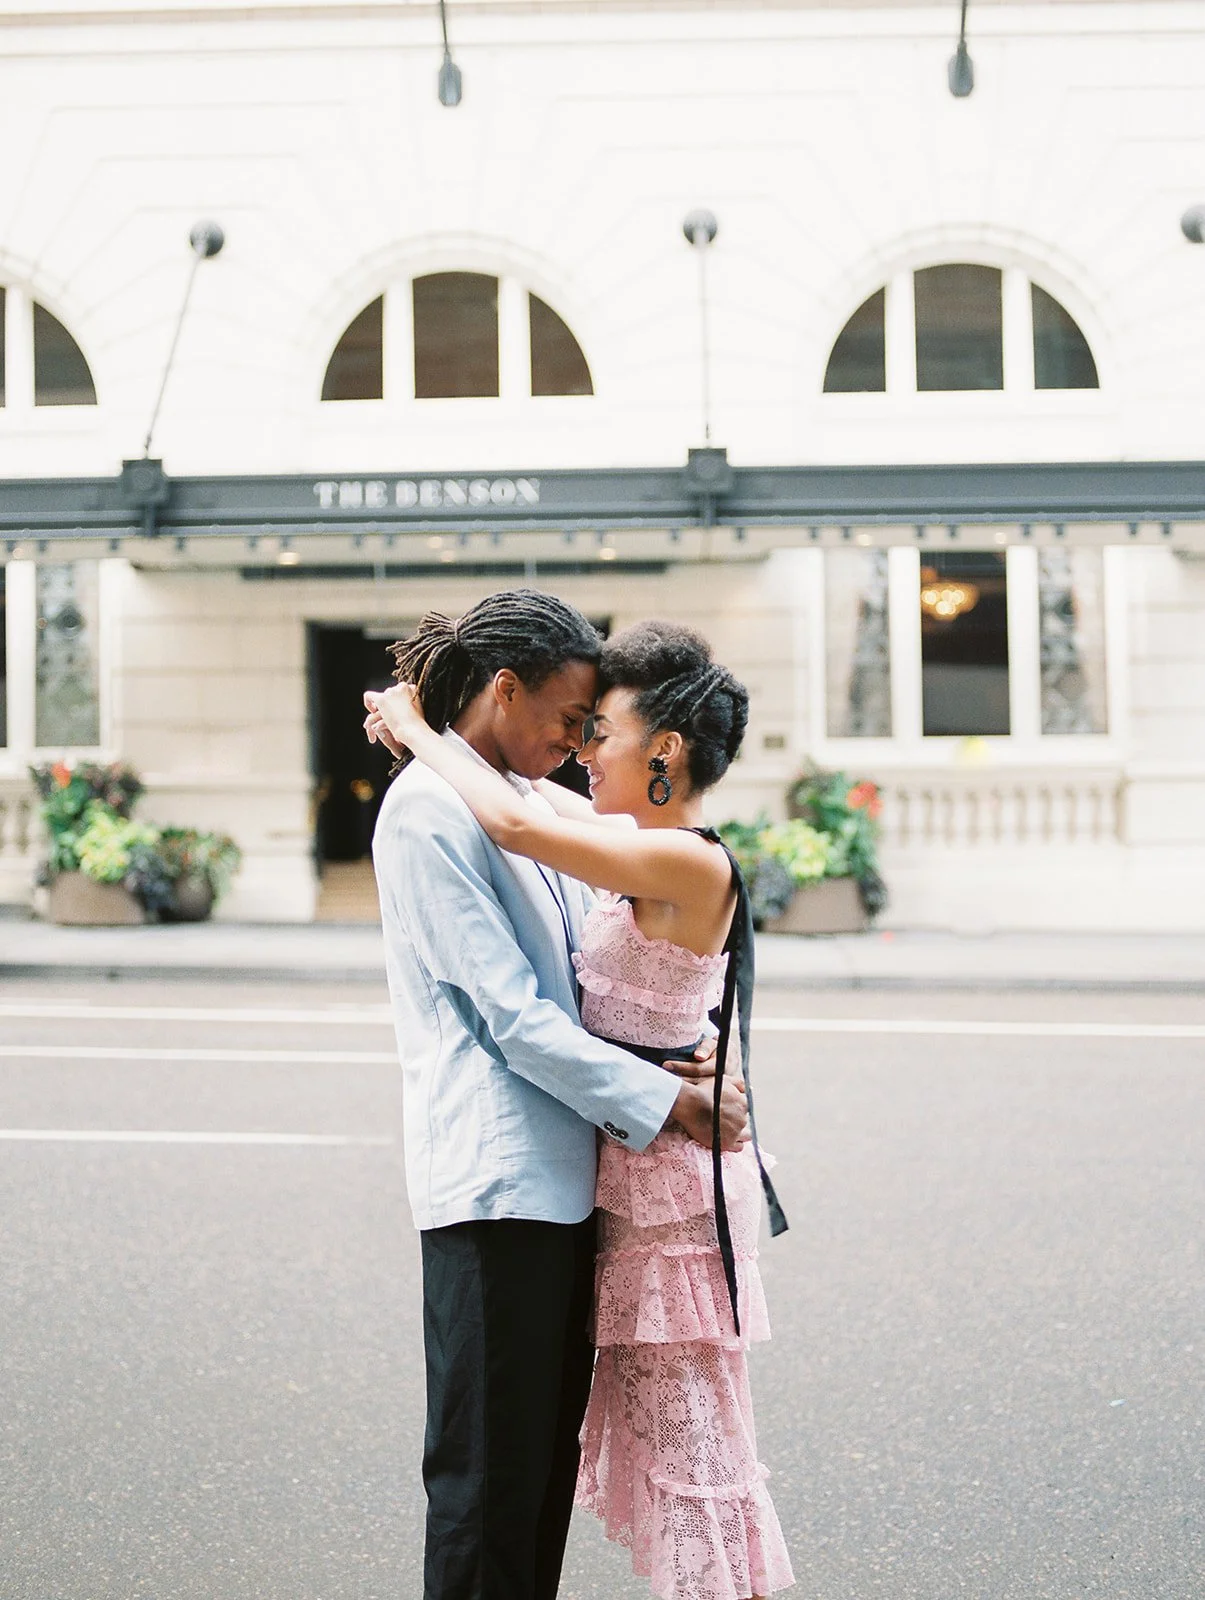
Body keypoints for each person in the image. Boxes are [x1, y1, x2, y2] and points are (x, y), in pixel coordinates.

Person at [366, 617, 795, 1600]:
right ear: (505, 690)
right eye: (572, 721)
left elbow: (532, 845)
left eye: (597, 727)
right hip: (507, 1183)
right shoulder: (438, 810)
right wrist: (668, 1092)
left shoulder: (586, 822)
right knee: (489, 1481)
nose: (581, 747)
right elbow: (516, 1017)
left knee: (565, 1470)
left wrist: (679, 1077)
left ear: (666, 749)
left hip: (611, 1184)